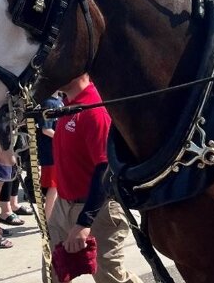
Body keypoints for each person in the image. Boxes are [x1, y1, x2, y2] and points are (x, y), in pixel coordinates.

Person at [47, 74, 142, 283]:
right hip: (63, 206)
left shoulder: (94, 109)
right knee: (54, 271)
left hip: (97, 210)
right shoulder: (68, 106)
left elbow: (105, 168)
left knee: (109, 277)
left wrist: (84, 222)